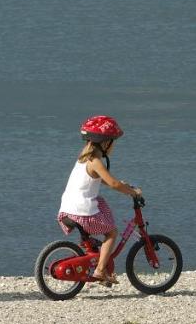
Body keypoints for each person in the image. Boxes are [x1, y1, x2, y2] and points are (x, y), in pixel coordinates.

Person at [56, 115, 141, 286]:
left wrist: (117, 183)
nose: (113, 146)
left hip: (67, 210)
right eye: (113, 142)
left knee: (99, 204)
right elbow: (113, 183)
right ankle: (100, 271)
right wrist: (132, 192)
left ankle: (92, 252)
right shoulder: (96, 161)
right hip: (83, 213)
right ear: (105, 143)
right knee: (111, 233)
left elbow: (97, 178)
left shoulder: (83, 159)